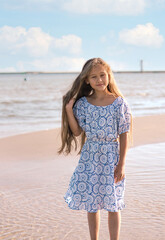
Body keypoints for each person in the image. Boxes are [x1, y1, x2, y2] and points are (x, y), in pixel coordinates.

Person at [58, 58, 132, 240]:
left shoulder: (118, 103)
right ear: (86, 80)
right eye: (94, 77)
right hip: (90, 156)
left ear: (109, 76)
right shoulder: (83, 104)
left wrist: (121, 164)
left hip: (111, 157)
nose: (99, 80)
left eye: (102, 75)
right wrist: (69, 109)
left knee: (112, 204)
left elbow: (124, 133)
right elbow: (76, 132)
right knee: (93, 203)